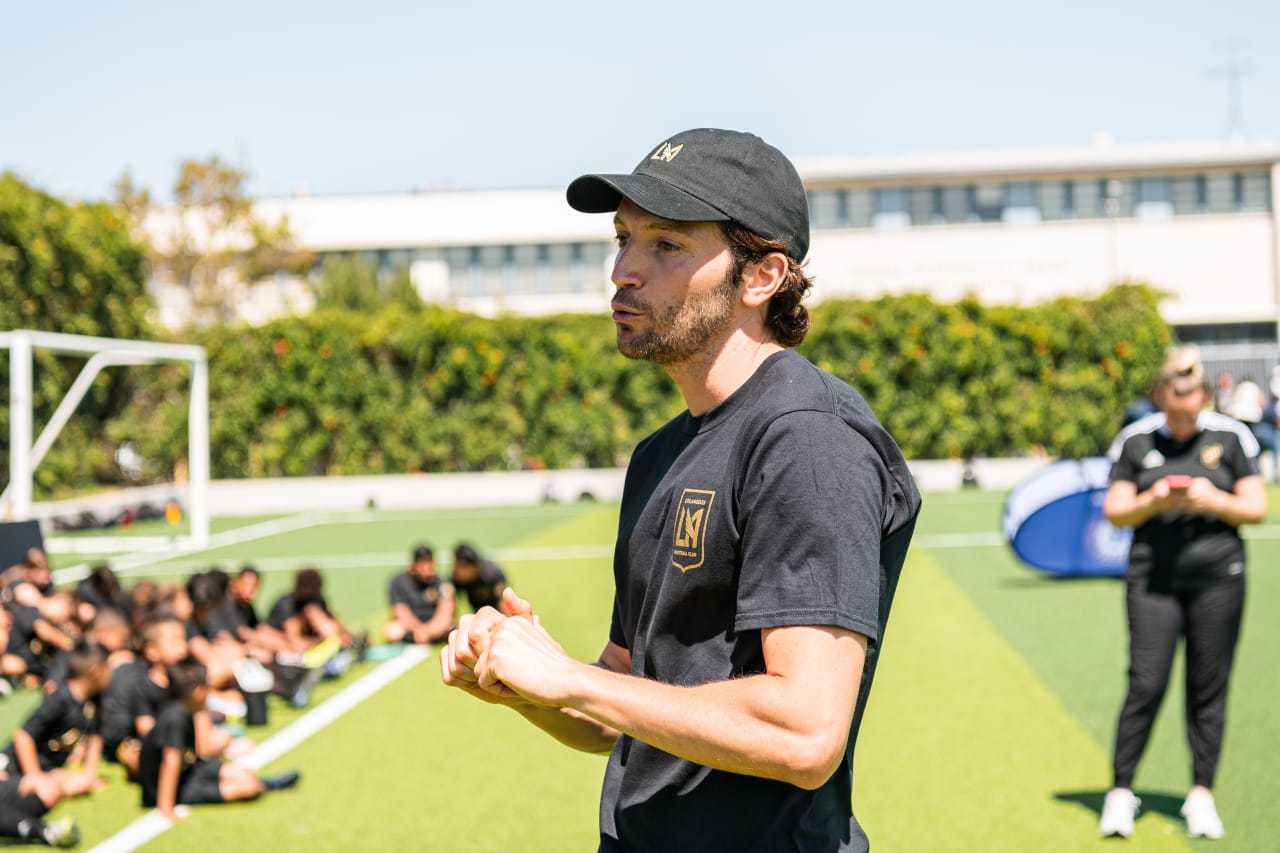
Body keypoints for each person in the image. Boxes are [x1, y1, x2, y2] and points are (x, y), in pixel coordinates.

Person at [441, 128, 921, 851]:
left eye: (665, 245)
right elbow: (625, 704)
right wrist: (529, 686)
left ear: (762, 276)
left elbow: (805, 731)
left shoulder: (807, 437)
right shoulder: (659, 454)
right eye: (623, 238)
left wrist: (571, 679)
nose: (624, 271)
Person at [1098, 345, 1266, 840]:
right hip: (1154, 578)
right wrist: (1153, 499)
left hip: (1218, 576)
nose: (1185, 398)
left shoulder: (1232, 436)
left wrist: (1211, 498)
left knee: (1207, 687)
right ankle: (1121, 792)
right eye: (1176, 388)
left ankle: (1201, 796)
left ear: (1204, 393)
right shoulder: (1136, 439)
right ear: (1160, 393)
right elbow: (1115, 509)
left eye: (1193, 389)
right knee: (1146, 683)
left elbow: (1256, 507)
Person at [136, 657, 298, 821]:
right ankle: (264, 786)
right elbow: (171, 762)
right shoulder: (175, 718)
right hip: (176, 786)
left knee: (244, 774)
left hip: (190, 770)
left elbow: (200, 749)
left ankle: (264, 784)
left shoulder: (184, 709)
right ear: (199, 692)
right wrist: (166, 809)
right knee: (247, 787)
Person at [383, 545, 456, 644]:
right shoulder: (399, 581)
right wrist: (419, 629)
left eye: (430, 563)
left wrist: (429, 631)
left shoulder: (442, 582)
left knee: (451, 627)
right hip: (412, 627)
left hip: (436, 626)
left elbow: (446, 612)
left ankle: (427, 637)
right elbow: (401, 612)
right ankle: (423, 638)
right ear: (414, 565)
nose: (428, 570)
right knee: (392, 631)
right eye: (423, 565)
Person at [449, 544, 509, 615]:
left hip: (496, 611)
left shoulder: (492, 574)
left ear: (475, 566)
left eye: (463, 566)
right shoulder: (456, 579)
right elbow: (450, 606)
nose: (458, 571)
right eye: (456, 565)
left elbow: (502, 601)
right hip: (477, 611)